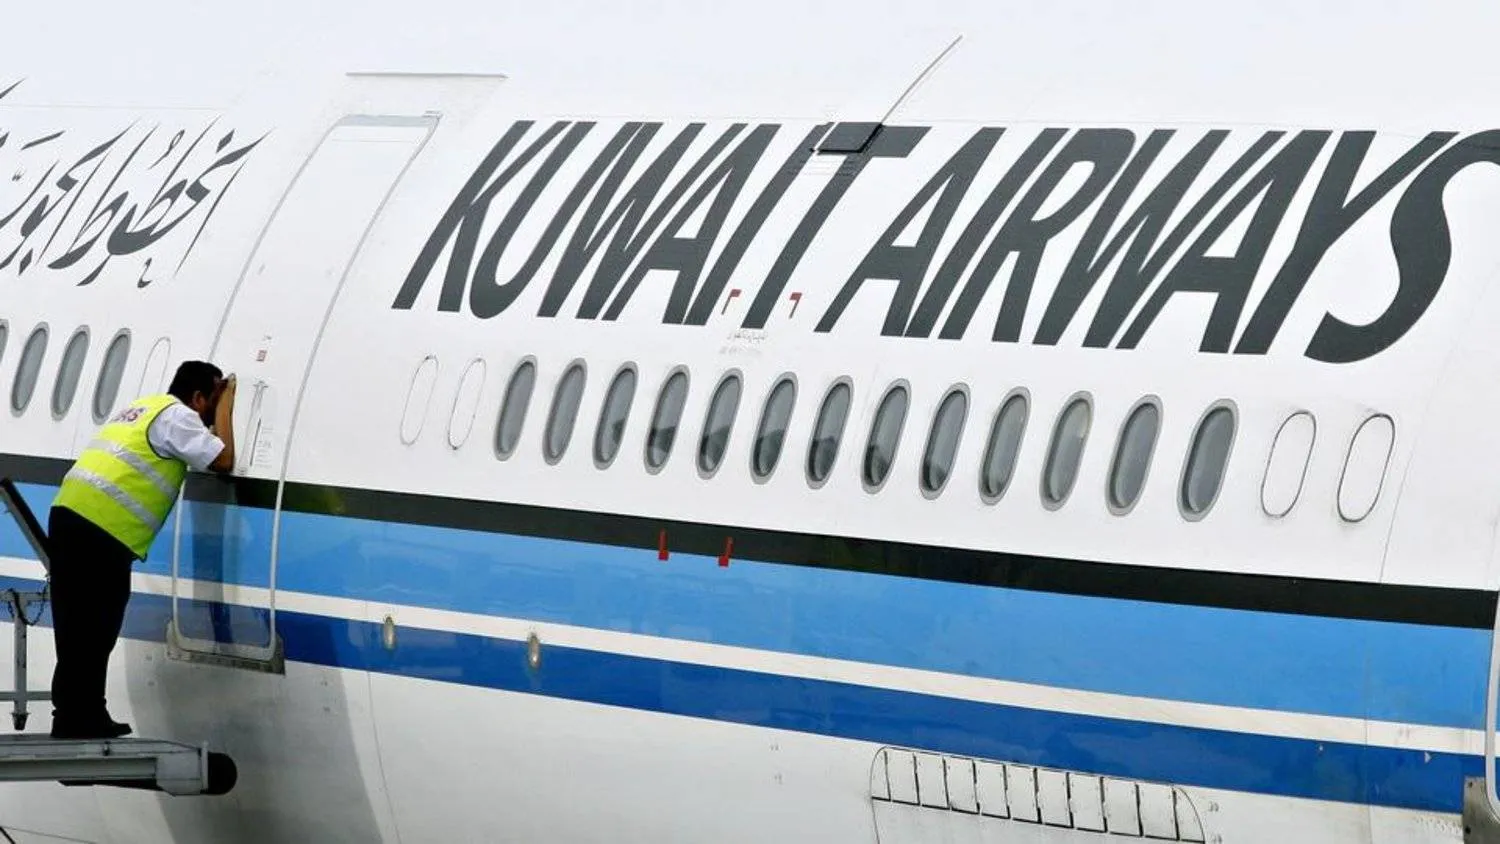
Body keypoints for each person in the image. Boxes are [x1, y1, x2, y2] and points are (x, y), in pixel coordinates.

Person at [47, 361, 236, 739]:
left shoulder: (146, 407)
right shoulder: (180, 417)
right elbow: (223, 459)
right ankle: (86, 716)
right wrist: (228, 408)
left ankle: (71, 715)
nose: (213, 411)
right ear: (199, 398)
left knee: (74, 628)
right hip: (101, 530)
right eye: (213, 401)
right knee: (97, 627)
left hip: (69, 516)